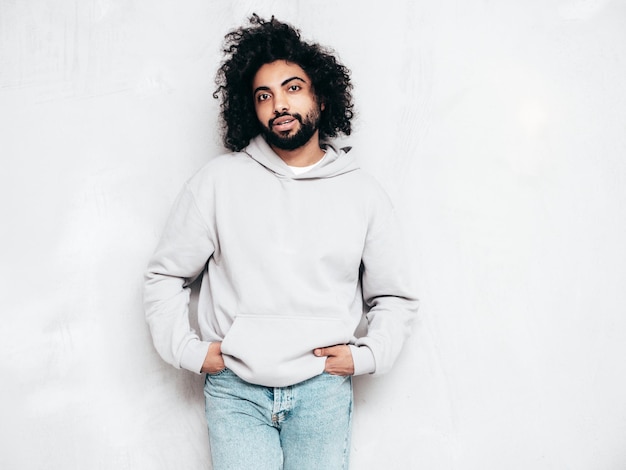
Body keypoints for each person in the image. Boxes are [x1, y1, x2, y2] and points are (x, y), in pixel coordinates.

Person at [143, 14, 418, 470]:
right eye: (264, 95)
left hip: (322, 388)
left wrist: (366, 356)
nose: (279, 105)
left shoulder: (363, 194)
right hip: (236, 391)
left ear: (321, 97)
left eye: (293, 88)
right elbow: (164, 275)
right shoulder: (217, 183)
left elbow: (395, 296)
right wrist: (190, 351)